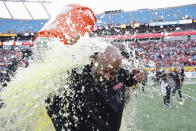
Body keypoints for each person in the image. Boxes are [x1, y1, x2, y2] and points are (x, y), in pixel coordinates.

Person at [46, 45, 145, 131]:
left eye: (112, 73)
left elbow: (129, 80)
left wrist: (137, 76)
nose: (107, 76)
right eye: (105, 70)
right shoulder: (77, 76)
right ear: (94, 61)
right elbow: (52, 103)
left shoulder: (120, 73)